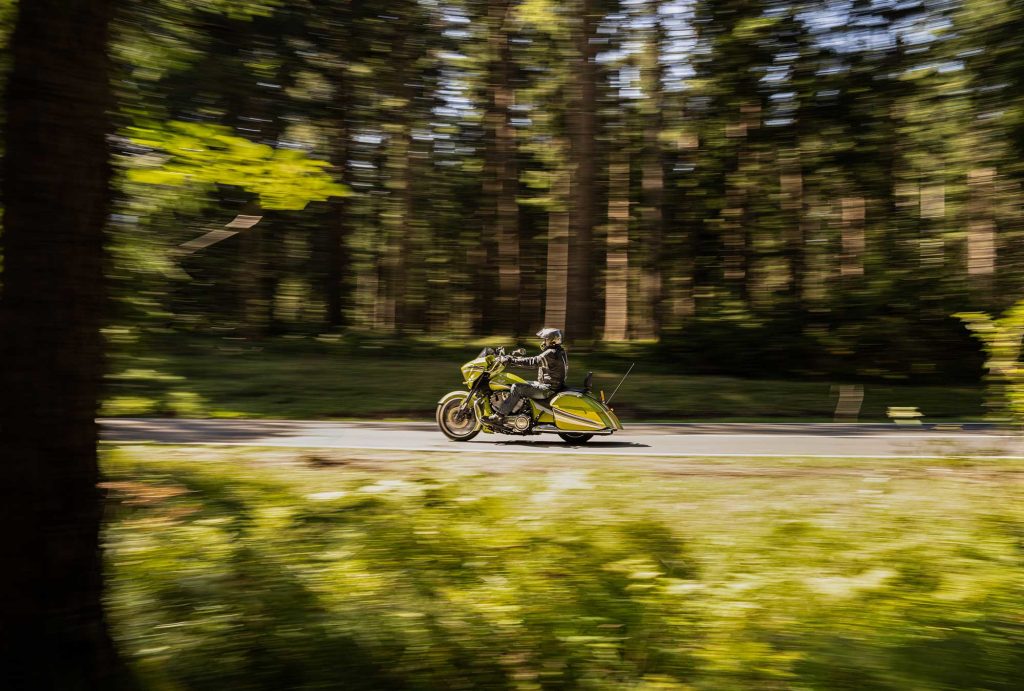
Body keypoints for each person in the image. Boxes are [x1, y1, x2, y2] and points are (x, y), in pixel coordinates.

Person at [486, 327, 568, 423]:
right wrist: (513, 360)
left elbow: (532, 362)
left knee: (517, 387)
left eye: (545, 339)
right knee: (521, 383)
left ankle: (499, 415)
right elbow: (534, 364)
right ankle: (519, 412)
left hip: (547, 388)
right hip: (551, 385)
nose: (544, 342)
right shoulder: (560, 351)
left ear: (552, 340)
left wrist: (511, 360)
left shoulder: (551, 353)